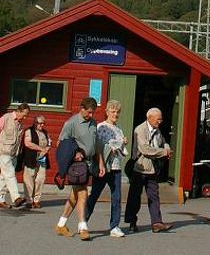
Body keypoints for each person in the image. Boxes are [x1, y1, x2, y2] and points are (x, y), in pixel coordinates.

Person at [55, 96, 105, 241]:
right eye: (89, 112)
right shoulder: (71, 123)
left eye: (93, 112)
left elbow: (96, 146)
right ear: (81, 108)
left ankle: (61, 224)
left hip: (89, 164)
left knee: (75, 195)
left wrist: (100, 163)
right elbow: (61, 144)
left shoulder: (93, 123)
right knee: (83, 194)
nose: (91, 115)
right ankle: (83, 227)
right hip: (76, 165)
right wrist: (74, 153)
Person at [123, 107, 172, 233]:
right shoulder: (140, 130)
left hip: (152, 169)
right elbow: (145, 150)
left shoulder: (157, 130)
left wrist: (167, 148)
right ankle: (132, 222)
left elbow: (163, 142)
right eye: (158, 119)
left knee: (154, 196)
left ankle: (157, 223)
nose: (160, 121)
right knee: (135, 197)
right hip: (140, 168)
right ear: (149, 117)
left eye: (161, 119)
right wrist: (163, 152)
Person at [85, 100, 128, 238]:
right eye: (113, 111)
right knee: (94, 195)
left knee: (116, 197)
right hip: (103, 167)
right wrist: (116, 145)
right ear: (107, 112)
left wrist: (122, 144)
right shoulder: (101, 127)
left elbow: (121, 150)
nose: (115, 114)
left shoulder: (119, 129)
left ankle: (114, 226)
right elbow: (99, 146)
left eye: (117, 112)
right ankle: (83, 221)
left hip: (116, 167)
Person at [0, 102, 30, 209]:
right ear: (19, 111)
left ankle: (0, 199)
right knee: (10, 174)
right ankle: (16, 198)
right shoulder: (6, 118)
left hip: (13, 154)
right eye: (24, 114)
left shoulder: (20, 124)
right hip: (3, 152)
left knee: (4, 177)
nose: (25, 117)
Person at [22, 114, 51, 208]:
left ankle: (36, 200)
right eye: (40, 123)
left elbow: (49, 142)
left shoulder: (45, 132)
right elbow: (28, 143)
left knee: (40, 179)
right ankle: (29, 200)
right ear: (35, 123)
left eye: (43, 123)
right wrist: (40, 149)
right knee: (29, 179)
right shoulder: (29, 131)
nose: (42, 125)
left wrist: (47, 148)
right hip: (30, 158)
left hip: (42, 159)